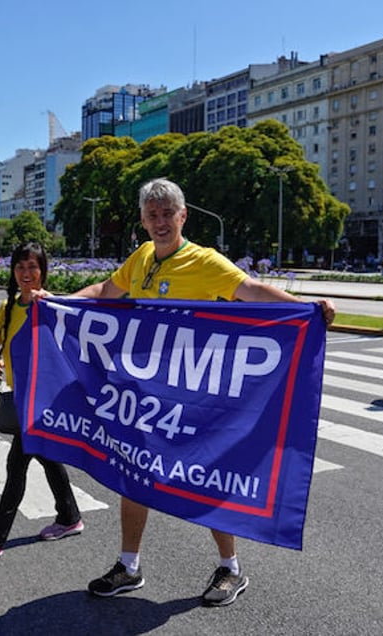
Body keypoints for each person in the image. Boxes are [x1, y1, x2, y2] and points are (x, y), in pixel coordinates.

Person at [72, 178, 336, 607]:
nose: (160, 222)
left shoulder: (204, 261)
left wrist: (305, 307)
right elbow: (105, 292)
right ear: (143, 220)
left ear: (183, 216)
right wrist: (60, 303)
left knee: (207, 477)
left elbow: (249, 290)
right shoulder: (140, 259)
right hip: (144, 395)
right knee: (134, 475)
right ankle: (129, 566)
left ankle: (230, 568)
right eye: (152, 215)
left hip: (194, 397)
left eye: (167, 214)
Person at [0, 241, 84, 559]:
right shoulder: (10, 306)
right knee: (48, 459)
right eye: (20, 267)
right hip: (21, 397)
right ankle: (70, 517)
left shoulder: (52, 306)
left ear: (43, 270)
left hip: (44, 401)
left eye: (32, 267)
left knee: (16, 466)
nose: (26, 273)